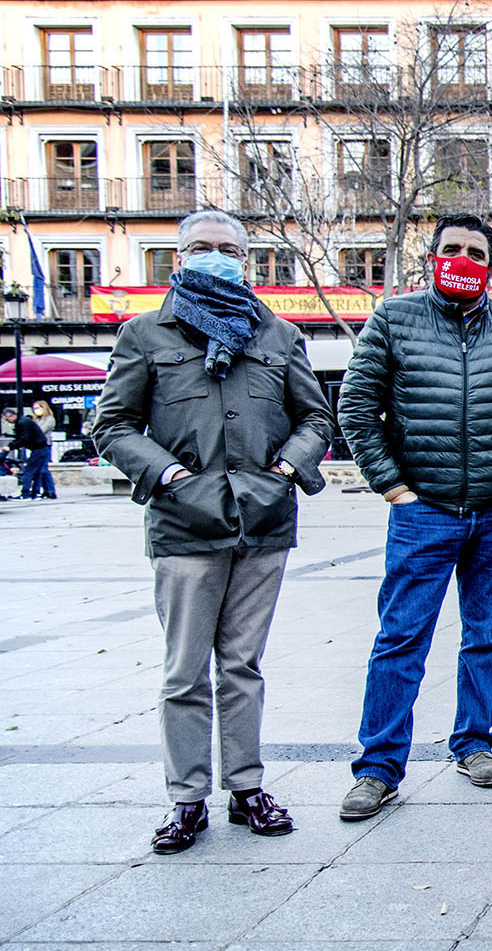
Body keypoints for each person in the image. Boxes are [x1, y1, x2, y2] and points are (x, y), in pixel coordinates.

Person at [92, 209, 334, 855]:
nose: (215, 256)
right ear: (178, 257)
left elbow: (316, 417)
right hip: (183, 524)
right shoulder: (145, 332)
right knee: (183, 672)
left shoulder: (278, 334)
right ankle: (186, 797)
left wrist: (283, 469)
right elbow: (111, 424)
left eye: (228, 248)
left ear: (247, 259)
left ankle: (247, 786)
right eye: (202, 246)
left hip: (263, 520)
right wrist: (170, 475)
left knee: (242, 664)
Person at [335, 213, 492, 821]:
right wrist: (393, 487)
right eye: (452, 249)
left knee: (487, 636)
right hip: (423, 511)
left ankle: (475, 743)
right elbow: (356, 406)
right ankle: (378, 768)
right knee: (400, 639)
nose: (463, 259)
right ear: (432, 257)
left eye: (475, 251)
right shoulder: (393, 318)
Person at [9, 403, 55, 499]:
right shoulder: (35, 420)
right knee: (40, 471)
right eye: (34, 408)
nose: (36, 410)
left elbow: (40, 431)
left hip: (43, 445)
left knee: (41, 470)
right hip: (37, 446)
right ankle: (41, 492)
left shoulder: (49, 419)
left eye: (38, 408)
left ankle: (48, 491)